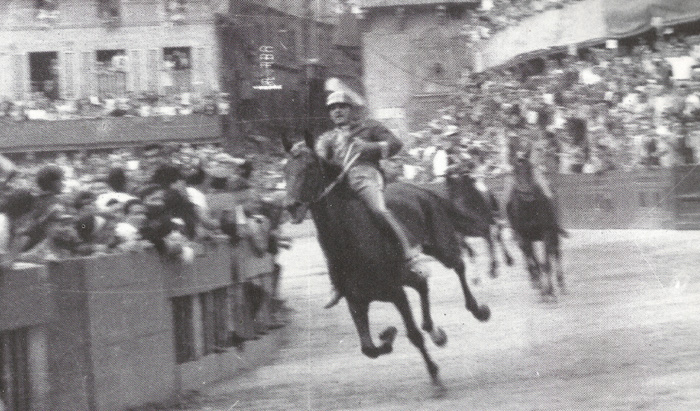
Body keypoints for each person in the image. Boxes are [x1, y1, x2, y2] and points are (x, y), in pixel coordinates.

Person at [314, 90, 435, 308]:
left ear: (351, 109)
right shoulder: (328, 138)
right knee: (326, 227)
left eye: (342, 106)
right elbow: (321, 159)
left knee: (379, 210)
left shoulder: (370, 127)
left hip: (365, 176)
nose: (337, 111)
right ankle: (337, 283)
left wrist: (369, 147)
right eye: (333, 108)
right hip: (340, 184)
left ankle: (411, 258)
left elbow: (396, 144)